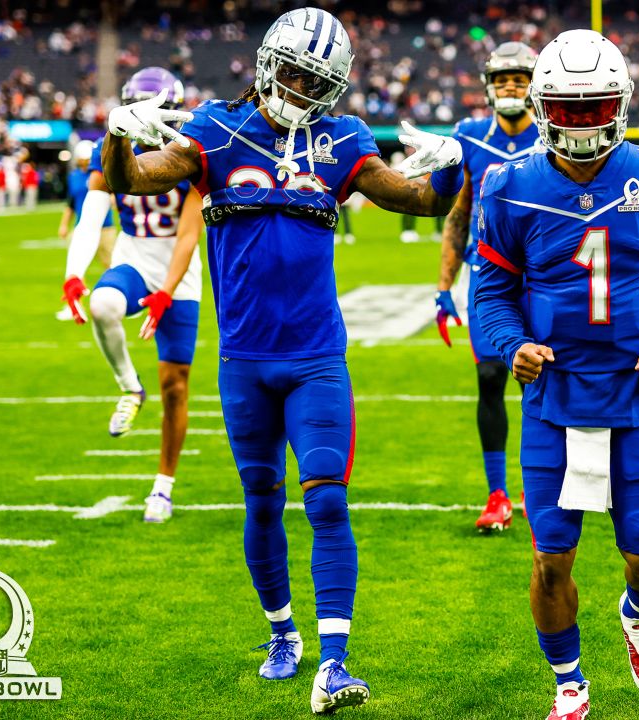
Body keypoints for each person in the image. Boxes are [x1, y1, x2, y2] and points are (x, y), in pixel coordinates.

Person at [94, 8, 463, 713]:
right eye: (293, 71)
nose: (300, 87)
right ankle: (281, 633)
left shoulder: (344, 138)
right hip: (244, 361)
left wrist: (447, 172)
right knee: (262, 502)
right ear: (267, 63)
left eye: (315, 79)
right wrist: (116, 135)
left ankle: (335, 662)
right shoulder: (215, 127)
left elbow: (417, 200)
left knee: (326, 499)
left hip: (318, 356)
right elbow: (128, 181)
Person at [473, 29, 639, 720]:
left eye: (595, 106)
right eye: (569, 108)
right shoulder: (511, 184)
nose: (582, 121)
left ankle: (637, 614)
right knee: (552, 559)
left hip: (637, 398)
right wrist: (509, 340)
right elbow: (492, 289)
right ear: (544, 106)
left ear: (622, 103)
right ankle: (570, 684)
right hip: (555, 398)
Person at [61, 68, 203, 525]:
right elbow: (91, 215)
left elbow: (187, 236)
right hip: (134, 259)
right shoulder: (112, 149)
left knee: (175, 386)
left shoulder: (191, 151)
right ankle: (128, 386)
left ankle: (163, 486)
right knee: (102, 304)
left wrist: (167, 292)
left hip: (180, 276)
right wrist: (73, 274)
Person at [433, 41, 541, 532]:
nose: (510, 87)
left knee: (546, 379)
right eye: (503, 80)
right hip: (489, 277)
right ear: (489, 86)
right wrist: (443, 286)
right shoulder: (470, 137)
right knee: (491, 377)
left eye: (519, 79)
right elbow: (458, 214)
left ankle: (541, 483)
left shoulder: (554, 135)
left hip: (544, 276)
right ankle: (497, 493)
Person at [56, 140, 117, 321]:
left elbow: (115, 195)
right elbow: (70, 204)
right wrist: (64, 224)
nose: (84, 162)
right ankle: (73, 304)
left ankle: (118, 302)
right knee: (75, 267)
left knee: (112, 265)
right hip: (81, 226)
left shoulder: (103, 173)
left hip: (105, 226)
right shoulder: (74, 176)